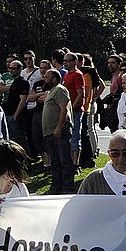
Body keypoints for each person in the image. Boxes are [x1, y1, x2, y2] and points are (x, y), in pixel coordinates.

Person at [41, 67, 74, 195]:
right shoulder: (51, 91)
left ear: (54, 79)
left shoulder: (59, 90)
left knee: (64, 160)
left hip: (59, 131)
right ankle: (56, 187)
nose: (45, 78)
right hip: (50, 132)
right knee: (55, 161)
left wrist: (59, 127)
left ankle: (67, 188)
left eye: (47, 77)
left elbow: (63, 109)